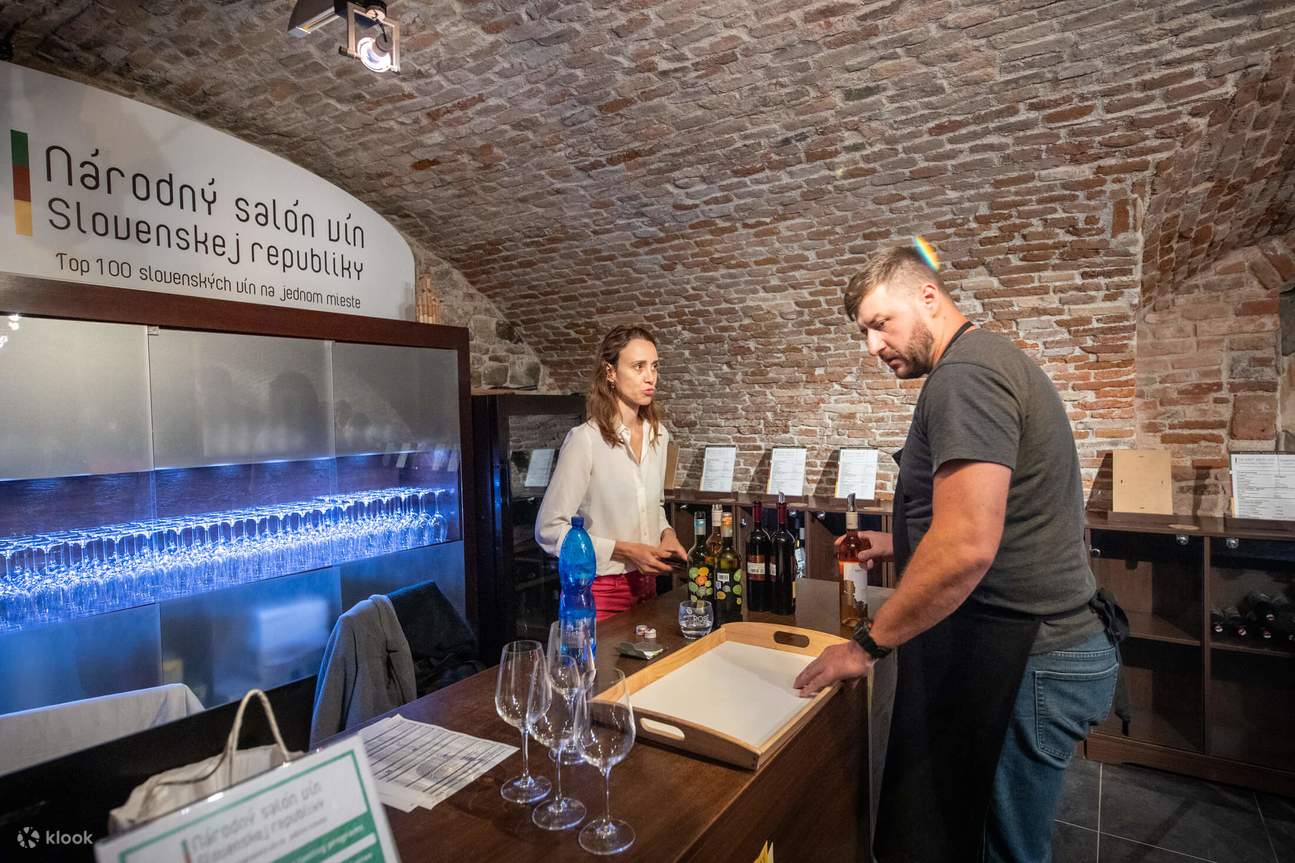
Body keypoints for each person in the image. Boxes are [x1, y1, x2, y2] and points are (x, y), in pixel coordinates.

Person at [793, 245, 1123, 862]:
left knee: (1001, 850)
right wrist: (899, 544)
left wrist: (863, 648)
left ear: (928, 297)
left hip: (1030, 658)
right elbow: (999, 522)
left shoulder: (965, 378)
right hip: (1034, 650)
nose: (872, 347)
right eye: (863, 333)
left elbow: (968, 545)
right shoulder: (986, 363)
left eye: (879, 323)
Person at [536, 324, 687, 621]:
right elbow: (549, 529)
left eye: (654, 367)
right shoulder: (585, 440)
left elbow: (652, 504)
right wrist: (624, 550)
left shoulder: (659, 435)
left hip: (648, 586)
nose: (650, 377)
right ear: (610, 372)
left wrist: (666, 533)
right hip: (598, 591)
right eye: (638, 366)